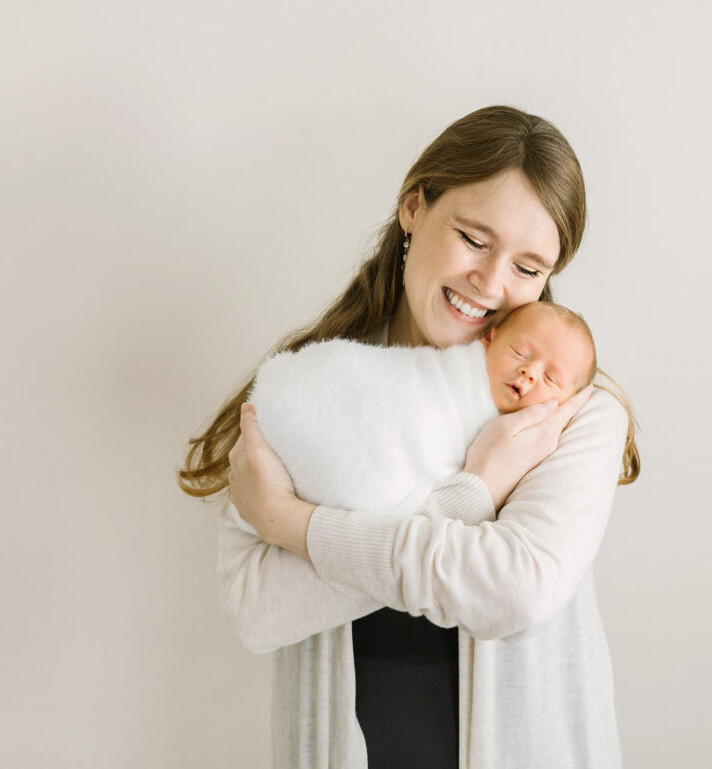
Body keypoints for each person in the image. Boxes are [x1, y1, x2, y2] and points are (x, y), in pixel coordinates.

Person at [178, 105, 640, 769]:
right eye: (475, 239)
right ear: (414, 207)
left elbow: (515, 590)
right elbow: (256, 611)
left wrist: (289, 521)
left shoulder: (570, 412)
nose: (492, 284)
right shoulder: (314, 394)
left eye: (528, 267)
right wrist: (474, 491)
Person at [242, 301, 598, 523]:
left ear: (567, 403)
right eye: (520, 352)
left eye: (551, 378)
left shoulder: (565, 438)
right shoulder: (446, 372)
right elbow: (393, 392)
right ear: (489, 340)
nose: (530, 372)